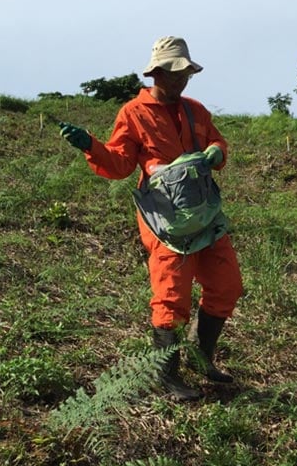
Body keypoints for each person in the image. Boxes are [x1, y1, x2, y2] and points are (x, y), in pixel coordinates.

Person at [59, 36, 243, 401]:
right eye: (173, 74)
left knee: (226, 284)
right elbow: (120, 164)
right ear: (156, 72)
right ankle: (168, 375)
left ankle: (201, 354)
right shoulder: (133, 113)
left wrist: (214, 153)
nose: (180, 81)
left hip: (204, 213)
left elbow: (220, 145)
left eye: (185, 74)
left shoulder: (196, 110)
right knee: (172, 296)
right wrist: (90, 146)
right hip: (165, 222)